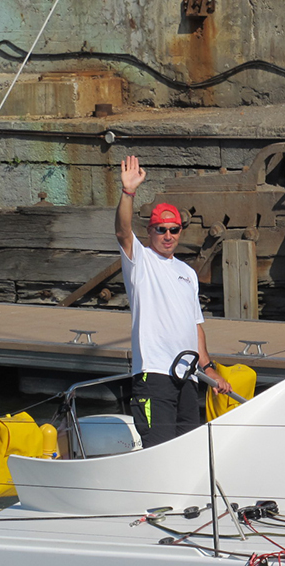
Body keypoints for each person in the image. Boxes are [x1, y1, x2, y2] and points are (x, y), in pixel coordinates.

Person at [116, 155, 229, 448]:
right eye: (161, 229)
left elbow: (195, 326)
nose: (168, 235)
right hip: (154, 376)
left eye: (174, 229)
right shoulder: (140, 261)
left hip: (188, 377)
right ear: (150, 231)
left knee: (188, 450)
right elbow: (122, 232)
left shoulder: (187, 273)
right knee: (160, 449)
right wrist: (128, 192)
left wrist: (208, 368)